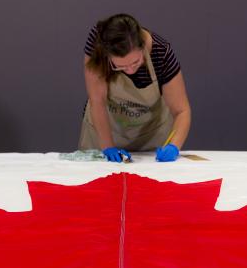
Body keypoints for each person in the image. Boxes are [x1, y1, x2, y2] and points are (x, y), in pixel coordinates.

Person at [79, 14, 191, 163]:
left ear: (143, 45)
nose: (130, 70)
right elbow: (97, 100)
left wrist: (174, 146)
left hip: (150, 139)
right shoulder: (97, 41)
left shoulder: (161, 52)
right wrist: (107, 146)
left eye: (135, 62)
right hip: (105, 133)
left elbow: (182, 111)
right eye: (120, 66)